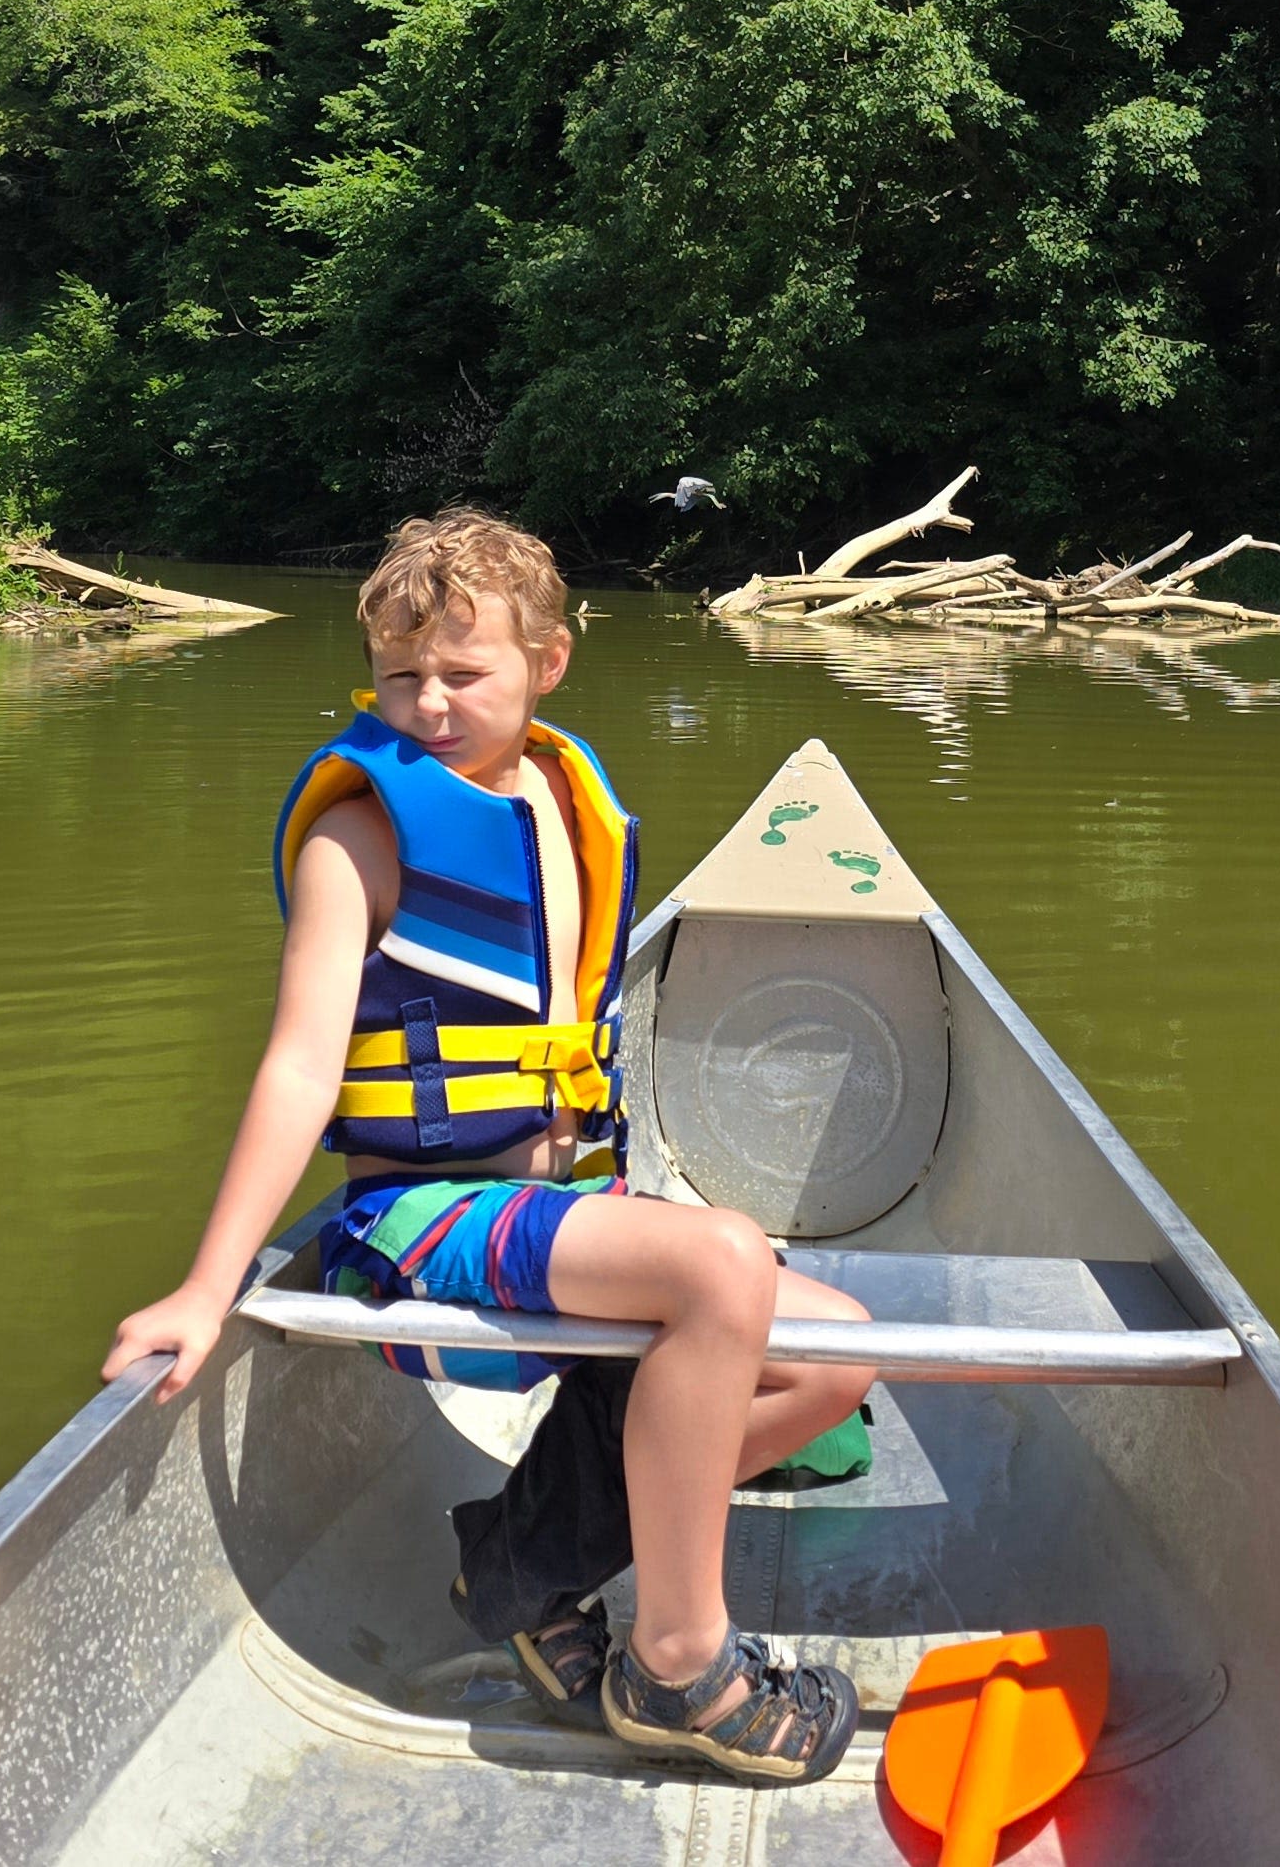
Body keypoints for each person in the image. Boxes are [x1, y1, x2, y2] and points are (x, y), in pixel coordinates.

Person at [104, 506, 878, 1786]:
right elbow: (301, 1062)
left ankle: (522, 1564)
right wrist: (207, 1283)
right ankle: (680, 1662)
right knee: (723, 1264)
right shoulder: (364, 834)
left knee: (833, 1355)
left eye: (463, 674)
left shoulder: (566, 806)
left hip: (561, 1197)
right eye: (401, 676)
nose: (428, 704)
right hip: (419, 1209)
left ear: (548, 664)